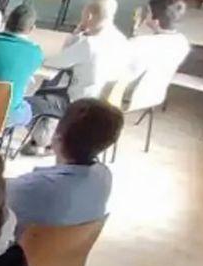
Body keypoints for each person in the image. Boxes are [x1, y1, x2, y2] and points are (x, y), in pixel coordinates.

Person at [25, 0, 130, 153]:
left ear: (88, 16)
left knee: (28, 102)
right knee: (50, 86)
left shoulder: (89, 44)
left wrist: (75, 34)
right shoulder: (121, 40)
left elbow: (55, 61)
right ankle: (48, 136)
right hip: (104, 102)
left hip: (79, 101)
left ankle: (42, 143)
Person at [8, 98, 123, 235]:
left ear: (57, 136)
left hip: (18, 253)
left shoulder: (34, 186)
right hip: (68, 254)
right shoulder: (104, 176)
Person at [127, 0, 191, 109]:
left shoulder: (142, 42)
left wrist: (135, 29)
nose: (145, 15)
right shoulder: (183, 42)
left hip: (129, 92)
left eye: (148, 13)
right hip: (155, 94)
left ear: (155, 21)